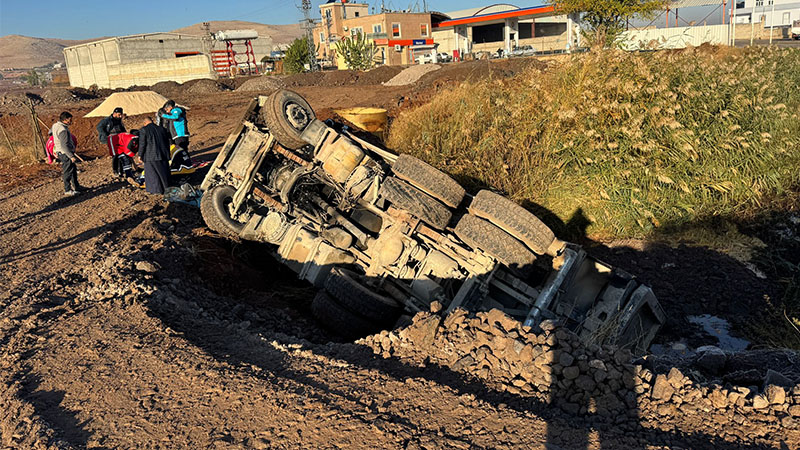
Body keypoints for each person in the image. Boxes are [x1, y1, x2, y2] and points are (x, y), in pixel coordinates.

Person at [136, 117, 171, 194]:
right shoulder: (162, 129)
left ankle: (156, 190)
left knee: (152, 174)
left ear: (145, 123)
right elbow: (167, 141)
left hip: (150, 156)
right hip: (163, 154)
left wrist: (140, 155)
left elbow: (142, 144)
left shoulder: (144, 130)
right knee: (164, 173)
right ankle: (167, 189)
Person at [52, 111, 84, 196]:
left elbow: (50, 132)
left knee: (73, 169)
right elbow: (64, 145)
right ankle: (67, 190)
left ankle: (77, 186)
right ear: (65, 120)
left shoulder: (56, 125)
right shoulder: (63, 130)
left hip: (61, 152)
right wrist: (71, 156)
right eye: (70, 119)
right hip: (65, 153)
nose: (71, 121)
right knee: (68, 171)